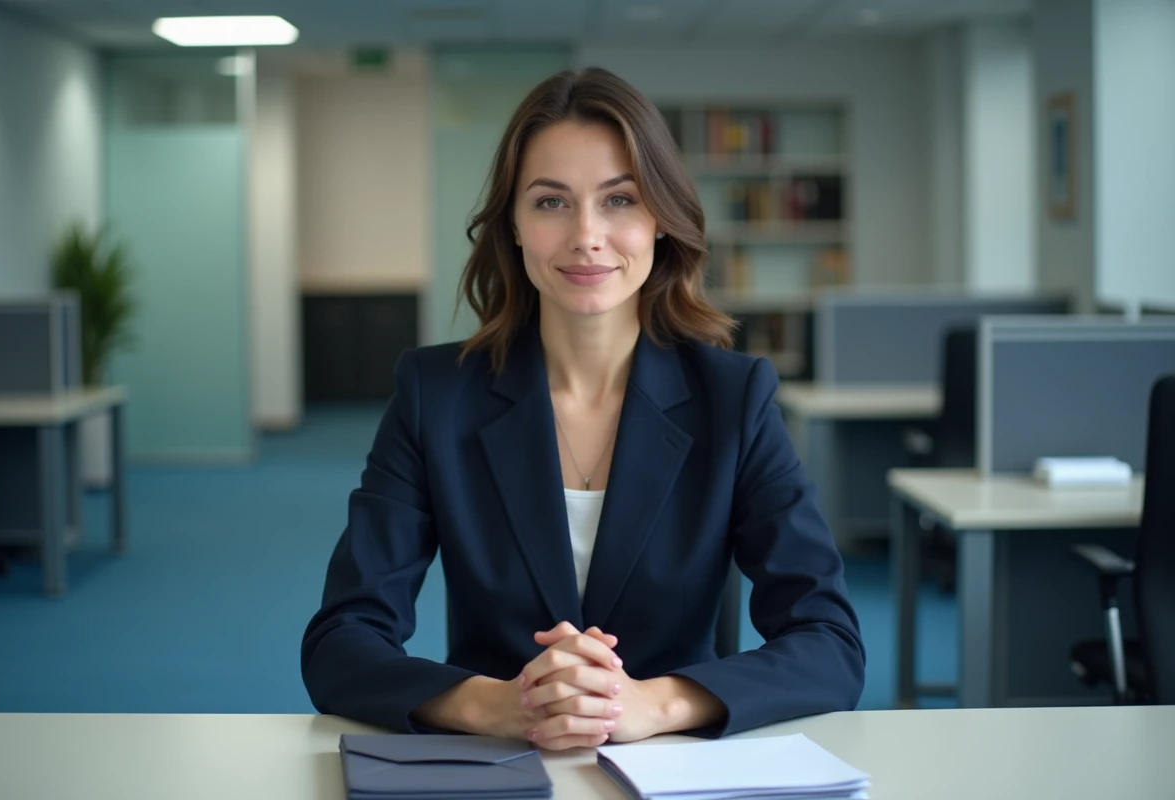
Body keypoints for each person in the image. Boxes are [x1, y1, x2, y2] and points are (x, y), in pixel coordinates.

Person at [301, 67, 865, 751]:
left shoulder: (733, 399)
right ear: (511, 224)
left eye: (620, 200)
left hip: (673, 768)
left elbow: (830, 642)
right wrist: (495, 705)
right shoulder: (435, 395)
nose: (587, 235)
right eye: (550, 203)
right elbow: (341, 639)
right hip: (496, 767)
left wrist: (651, 704)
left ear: (661, 219)